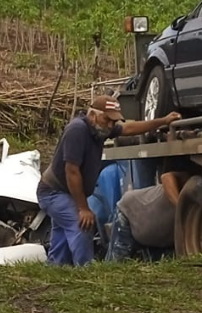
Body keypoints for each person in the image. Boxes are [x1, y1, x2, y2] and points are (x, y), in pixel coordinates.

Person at [36, 97, 179, 266]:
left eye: (114, 121)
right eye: (107, 120)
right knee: (82, 225)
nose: (111, 125)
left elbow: (129, 128)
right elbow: (71, 171)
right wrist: (83, 208)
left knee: (62, 239)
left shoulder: (99, 129)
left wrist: (163, 120)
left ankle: (56, 268)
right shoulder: (77, 130)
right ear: (93, 115)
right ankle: (86, 273)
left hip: (64, 193)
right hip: (54, 192)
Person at [108, 170, 192, 262]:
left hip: (156, 233)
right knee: (118, 264)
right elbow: (166, 177)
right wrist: (181, 207)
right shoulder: (187, 181)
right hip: (130, 213)